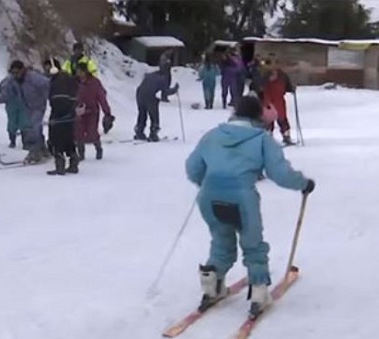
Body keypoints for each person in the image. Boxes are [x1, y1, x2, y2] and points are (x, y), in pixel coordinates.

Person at [185, 95, 315, 318]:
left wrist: (206, 183)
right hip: (241, 198)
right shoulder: (262, 139)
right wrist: (303, 184)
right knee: (252, 244)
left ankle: (211, 285)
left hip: (209, 197)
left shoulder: (212, 136)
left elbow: (192, 167)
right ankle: (258, 293)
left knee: (221, 239)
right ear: (257, 116)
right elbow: (280, 173)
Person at [0, 60, 50, 164]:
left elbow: (47, 85)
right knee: (32, 127)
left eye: (17, 72)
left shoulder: (33, 77)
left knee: (34, 128)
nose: (16, 74)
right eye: (13, 72)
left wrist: (47, 97)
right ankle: (43, 149)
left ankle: (35, 152)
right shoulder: (12, 81)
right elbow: (7, 94)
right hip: (27, 107)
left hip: (38, 106)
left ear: (23, 70)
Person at [43, 58, 79, 176]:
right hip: (70, 113)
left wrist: (55, 117)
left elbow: (58, 99)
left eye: (48, 68)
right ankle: (73, 163)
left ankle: (60, 166)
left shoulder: (58, 81)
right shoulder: (67, 77)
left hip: (59, 113)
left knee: (56, 139)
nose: (46, 71)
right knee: (68, 138)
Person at [75, 62, 114, 160]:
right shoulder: (75, 82)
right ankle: (81, 154)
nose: (78, 73)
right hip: (79, 112)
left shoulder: (95, 83)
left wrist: (107, 112)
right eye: (77, 71)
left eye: (80, 71)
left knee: (92, 133)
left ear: (85, 71)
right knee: (78, 133)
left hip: (92, 112)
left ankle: (98, 148)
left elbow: (102, 97)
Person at [254, 56, 295, 145]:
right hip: (267, 101)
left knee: (282, 119)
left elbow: (288, 86)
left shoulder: (282, 75)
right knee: (268, 120)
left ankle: (286, 136)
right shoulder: (263, 74)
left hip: (279, 100)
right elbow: (256, 87)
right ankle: (267, 138)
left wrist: (292, 88)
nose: (273, 65)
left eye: (275, 63)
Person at [134, 68, 179, 142]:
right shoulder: (163, 79)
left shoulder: (151, 75)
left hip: (140, 93)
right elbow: (165, 92)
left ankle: (139, 131)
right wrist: (175, 89)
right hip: (150, 95)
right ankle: (153, 134)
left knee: (142, 113)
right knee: (154, 115)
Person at [0, 69, 29, 149]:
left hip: (21, 105)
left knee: (23, 123)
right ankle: (13, 141)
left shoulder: (25, 80)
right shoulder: (7, 82)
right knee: (14, 123)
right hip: (14, 105)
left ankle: (23, 142)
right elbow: (3, 94)